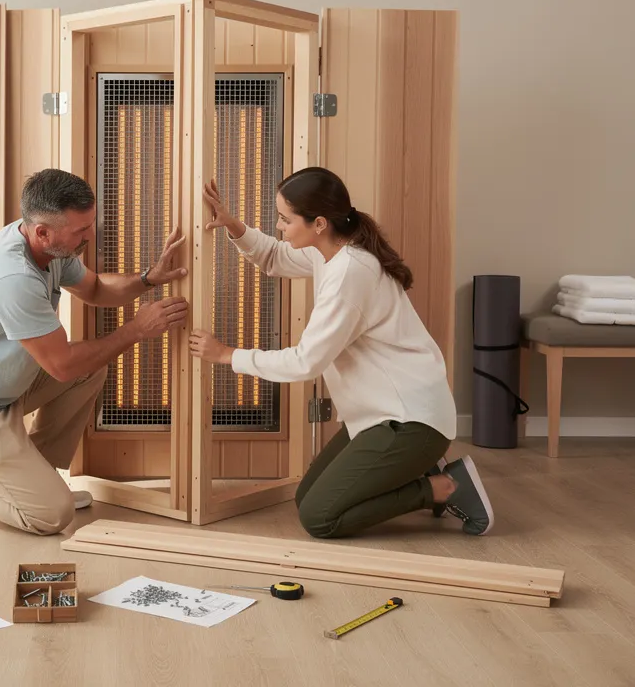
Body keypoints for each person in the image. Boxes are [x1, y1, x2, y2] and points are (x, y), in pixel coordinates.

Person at [188, 167, 494, 538]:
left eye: (285, 219)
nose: (280, 226)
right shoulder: (331, 249)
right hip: (380, 416)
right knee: (308, 498)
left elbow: (307, 361)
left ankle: (441, 487)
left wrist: (226, 355)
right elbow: (274, 257)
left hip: (408, 420)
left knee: (320, 517)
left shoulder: (352, 273)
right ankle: (418, 467)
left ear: (318, 222)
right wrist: (232, 225)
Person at [0, 168, 190, 535]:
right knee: (51, 516)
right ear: (43, 232)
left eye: (90, 225)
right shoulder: (12, 278)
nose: (89, 236)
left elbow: (96, 289)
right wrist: (135, 330)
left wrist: (148, 279)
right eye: (80, 231)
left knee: (92, 366)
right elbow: (62, 366)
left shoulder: (49, 247)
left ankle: (34, 479)